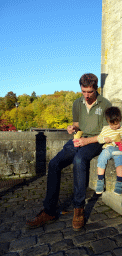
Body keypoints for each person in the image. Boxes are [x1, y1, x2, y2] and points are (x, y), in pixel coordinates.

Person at [26, 73, 112, 231]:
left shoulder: (105, 104)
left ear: (96, 89)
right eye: (83, 91)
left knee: (79, 160)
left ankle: (78, 208)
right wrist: (72, 128)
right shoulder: (77, 103)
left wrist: (87, 141)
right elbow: (77, 125)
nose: (86, 96)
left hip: (96, 141)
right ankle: (49, 211)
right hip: (79, 139)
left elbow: (108, 134)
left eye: (89, 92)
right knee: (54, 164)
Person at [96, 106, 122, 195]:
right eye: (111, 124)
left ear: (120, 120)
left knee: (120, 160)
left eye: (116, 124)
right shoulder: (105, 129)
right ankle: (100, 181)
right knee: (102, 158)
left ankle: (119, 183)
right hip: (108, 148)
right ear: (108, 122)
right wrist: (105, 140)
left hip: (119, 149)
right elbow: (99, 138)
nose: (113, 127)